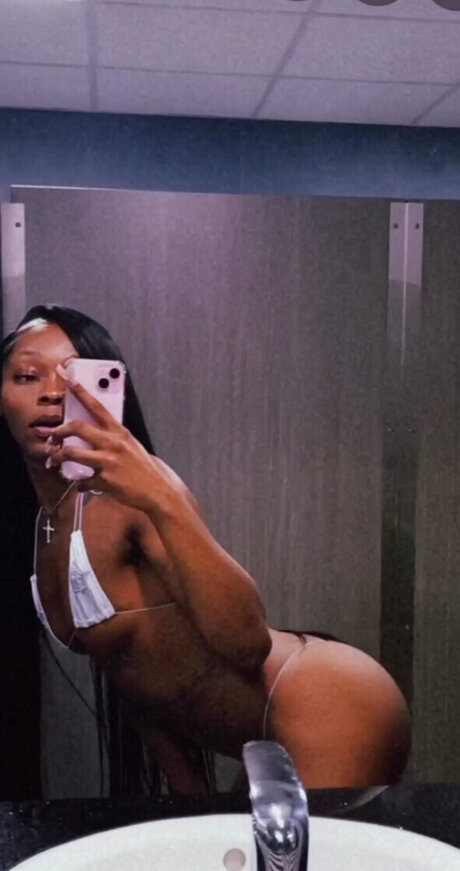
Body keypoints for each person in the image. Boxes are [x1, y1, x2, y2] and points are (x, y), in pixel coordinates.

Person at [0, 304, 410, 795]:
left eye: (71, 375)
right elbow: (129, 679)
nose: (50, 392)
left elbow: (248, 644)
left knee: (286, 851)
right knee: (230, 846)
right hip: (267, 735)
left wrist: (162, 496)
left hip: (329, 701)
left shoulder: (132, 495)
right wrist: (189, 798)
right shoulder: (43, 524)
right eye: (27, 376)